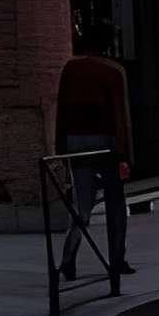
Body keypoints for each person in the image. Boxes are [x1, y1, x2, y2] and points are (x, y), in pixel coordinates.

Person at [54, 26, 135, 279]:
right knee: (115, 202)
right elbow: (121, 115)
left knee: (82, 203)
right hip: (106, 140)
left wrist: (60, 145)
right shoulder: (113, 71)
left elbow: (61, 108)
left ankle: (68, 259)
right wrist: (125, 155)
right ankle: (116, 259)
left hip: (75, 140)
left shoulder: (70, 69)